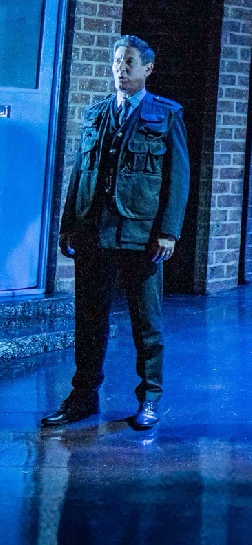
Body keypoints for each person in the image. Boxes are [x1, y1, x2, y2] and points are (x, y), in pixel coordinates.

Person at [44, 36, 189, 432]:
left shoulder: (166, 114)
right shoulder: (96, 114)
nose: (121, 69)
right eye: (117, 61)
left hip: (140, 234)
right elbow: (80, 173)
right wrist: (69, 225)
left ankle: (150, 398)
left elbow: (178, 179)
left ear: (148, 69)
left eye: (129, 62)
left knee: (146, 321)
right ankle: (82, 396)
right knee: (89, 319)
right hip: (94, 232)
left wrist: (168, 232)